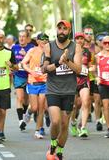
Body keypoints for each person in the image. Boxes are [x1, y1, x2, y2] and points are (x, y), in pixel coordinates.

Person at [42, 20, 82, 160]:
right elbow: (44, 69)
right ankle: (53, 143)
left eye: (65, 29)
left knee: (65, 125)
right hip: (53, 89)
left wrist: (67, 61)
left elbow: (78, 69)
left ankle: (59, 151)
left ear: (69, 31)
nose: (62, 31)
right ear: (56, 30)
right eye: (59, 28)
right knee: (56, 121)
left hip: (69, 91)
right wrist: (58, 63)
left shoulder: (76, 47)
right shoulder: (49, 46)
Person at [21, 32, 49, 139]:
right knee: (34, 107)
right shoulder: (32, 51)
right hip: (33, 82)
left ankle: (38, 130)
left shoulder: (49, 52)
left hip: (45, 83)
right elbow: (23, 63)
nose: (44, 41)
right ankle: (28, 113)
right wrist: (31, 72)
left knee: (41, 108)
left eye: (46, 39)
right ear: (37, 41)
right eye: (42, 39)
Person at [11, 30, 34, 131]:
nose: (21, 38)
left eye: (24, 36)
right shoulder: (14, 48)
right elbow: (11, 61)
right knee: (19, 98)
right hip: (18, 75)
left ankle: (25, 115)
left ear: (27, 38)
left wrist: (26, 56)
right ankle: (21, 121)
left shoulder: (32, 48)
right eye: (20, 36)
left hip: (29, 76)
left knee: (26, 101)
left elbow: (35, 62)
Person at [70, 32, 92, 138]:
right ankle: (73, 122)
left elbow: (92, 65)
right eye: (77, 38)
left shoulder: (87, 52)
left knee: (86, 102)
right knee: (73, 106)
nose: (79, 40)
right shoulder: (70, 51)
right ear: (74, 40)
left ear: (84, 40)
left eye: (81, 39)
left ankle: (83, 127)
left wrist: (90, 69)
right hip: (72, 80)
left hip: (84, 80)